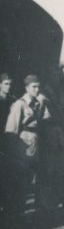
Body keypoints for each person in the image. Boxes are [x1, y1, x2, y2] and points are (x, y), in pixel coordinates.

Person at [5, 75, 51, 219]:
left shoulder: (39, 102)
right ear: (27, 87)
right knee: (20, 180)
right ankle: (14, 214)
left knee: (30, 180)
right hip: (22, 144)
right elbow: (11, 130)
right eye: (34, 87)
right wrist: (14, 152)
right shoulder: (20, 104)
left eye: (38, 87)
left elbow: (45, 121)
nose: (37, 90)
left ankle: (22, 212)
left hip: (35, 144)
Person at [0, 73, 16, 215]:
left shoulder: (13, 101)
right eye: (6, 84)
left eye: (10, 84)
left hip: (7, 141)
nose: (8, 87)